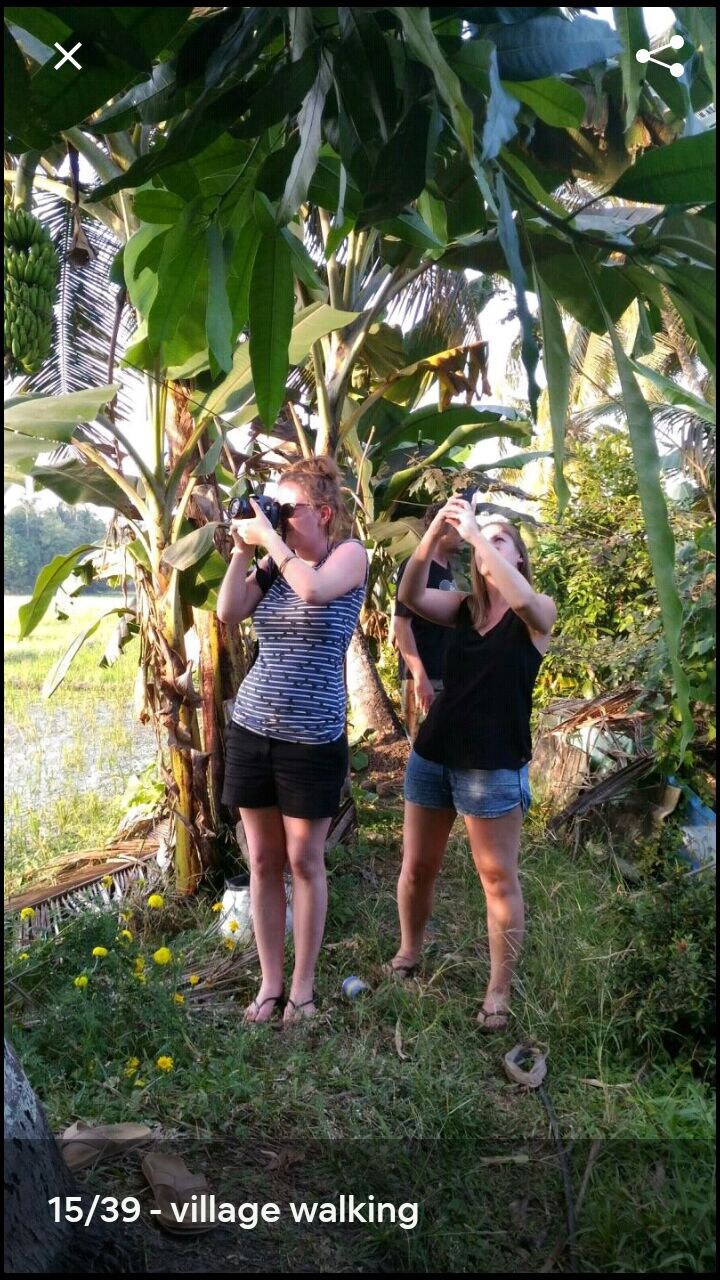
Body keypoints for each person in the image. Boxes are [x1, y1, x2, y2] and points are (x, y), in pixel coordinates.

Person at [387, 497, 556, 1031]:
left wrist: (481, 538)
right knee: (417, 867)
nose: (487, 541)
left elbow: (525, 598)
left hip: (492, 766)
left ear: (518, 560)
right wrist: (437, 527)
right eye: (485, 537)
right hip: (434, 755)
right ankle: (409, 952)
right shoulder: (461, 607)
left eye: (503, 539)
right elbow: (410, 596)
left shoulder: (536, 615)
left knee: (496, 877)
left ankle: (498, 989)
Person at [216, 456, 367, 1025]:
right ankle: (270, 983)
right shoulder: (275, 566)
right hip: (254, 728)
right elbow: (229, 612)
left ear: (322, 512)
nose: (275, 516)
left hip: (312, 738)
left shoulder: (346, 557)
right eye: (271, 506)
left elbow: (314, 592)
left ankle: (302, 988)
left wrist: (271, 545)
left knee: (305, 861)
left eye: (285, 508)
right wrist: (243, 550)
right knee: (261, 859)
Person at [391, 504, 463, 742]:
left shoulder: (448, 569)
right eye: (458, 527)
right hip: (422, 676)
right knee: (425, 748)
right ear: (441, 529)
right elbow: (401, 625)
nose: (464, 534)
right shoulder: (417, 567)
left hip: (445, 673)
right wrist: (419, 677)